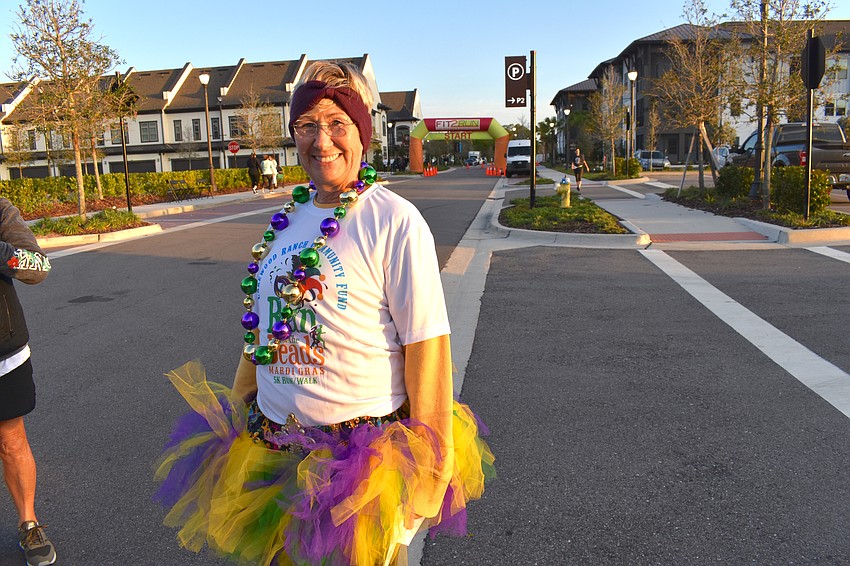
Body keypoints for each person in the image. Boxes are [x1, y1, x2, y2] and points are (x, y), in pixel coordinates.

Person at [154, 61, 494, 566]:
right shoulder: (285, 221)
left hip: (357, 471)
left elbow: (428, 351)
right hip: (271, 452)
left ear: (363, 132)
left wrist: (427, 476)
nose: (322, 140)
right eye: (307, 125)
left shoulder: (395, 221)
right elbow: (264, 330)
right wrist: (240, 407)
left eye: (337, 123)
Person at [0, 198, 54, 566]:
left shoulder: (1, 211)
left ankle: (28, 522)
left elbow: (39, 267)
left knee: (10, 440)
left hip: (3, 352)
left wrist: (2, 252)